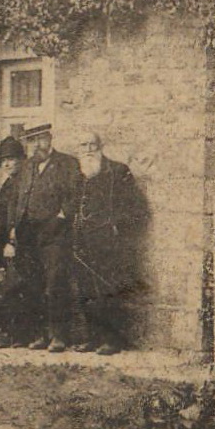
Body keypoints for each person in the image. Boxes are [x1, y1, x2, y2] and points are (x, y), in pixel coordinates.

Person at [71, 131, 148, 355]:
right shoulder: (78, 175)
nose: (87, 150)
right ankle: (92, 338)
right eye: (83, 145)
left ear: (100, 147)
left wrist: (115, 227)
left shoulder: (118, 171)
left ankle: (112, 340)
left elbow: (136, 209)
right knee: (86, 291)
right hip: (82, 242)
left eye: (91, 145)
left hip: (108, 243)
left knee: (108, 290)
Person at [10, 133, 84, 352]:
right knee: (33, 284)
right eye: (31, 141)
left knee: (55, 283)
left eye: (40, 140)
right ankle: (39, 334)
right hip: (29, 234)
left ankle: (59, 335)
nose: (36, 146)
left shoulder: (67, 163)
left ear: (50, 140)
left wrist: (61, 218)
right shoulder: (26, 167)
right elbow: (18, 199)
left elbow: (75, 195)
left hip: (55, 233)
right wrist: (14, 227)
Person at [0, 136, 36, 348]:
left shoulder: (25, 184)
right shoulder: (6, 185)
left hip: (22, 245)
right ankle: (1, 332)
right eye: (4, 160)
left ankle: (17, 334)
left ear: (21, 160)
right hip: (5, 245)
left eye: (12, 159)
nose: (7, 164)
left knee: (15, 288)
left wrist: (14, 241)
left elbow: (25, 217)